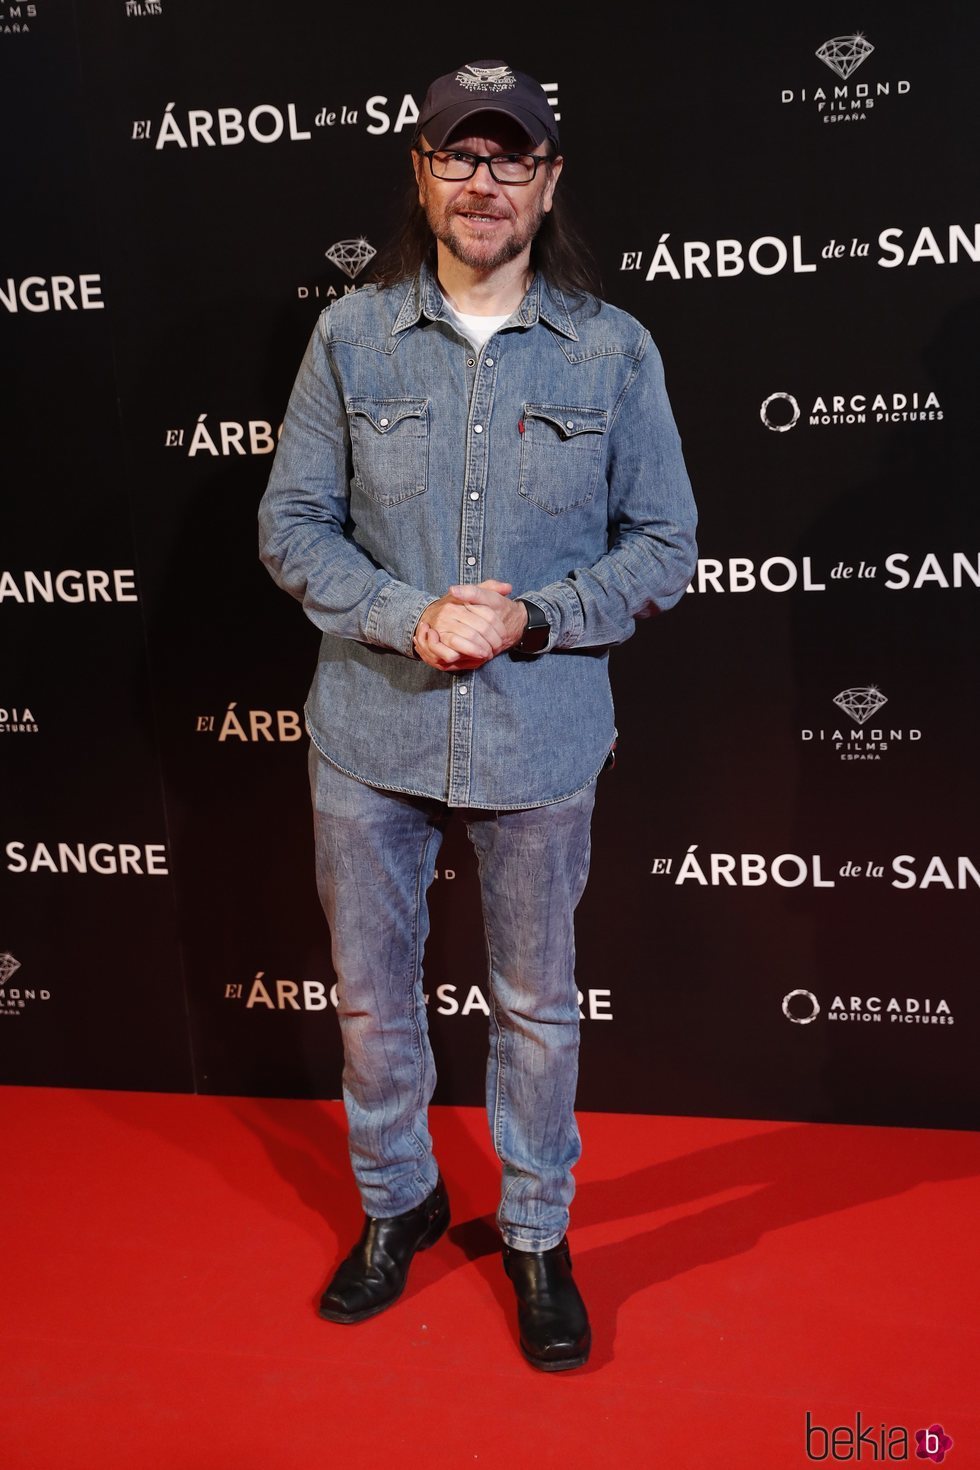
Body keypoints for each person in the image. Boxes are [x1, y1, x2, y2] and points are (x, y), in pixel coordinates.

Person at [257, 58, 697, 1372]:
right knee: (371, 1001)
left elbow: (666, 542)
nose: (485, 181)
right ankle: (400, 1202)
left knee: (537, 1003)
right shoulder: (349, 337)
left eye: (511, 158)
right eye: (461, 155)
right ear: (423, 174)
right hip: (369, 731)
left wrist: (530, 612)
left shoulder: (616, 350)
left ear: (548, 180)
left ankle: (538, 1232)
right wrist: (412, 613)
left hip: (540, 734)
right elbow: (292, 524)